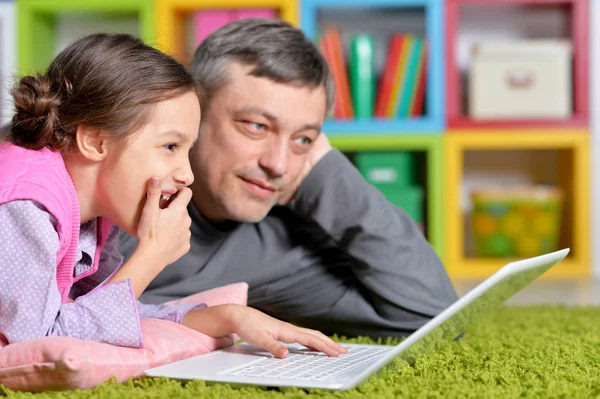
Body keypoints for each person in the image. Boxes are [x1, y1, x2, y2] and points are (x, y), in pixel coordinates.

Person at [0, 33, 347, 360]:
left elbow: (99, 309)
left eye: (187, 149)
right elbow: (38, 345)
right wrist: (151, 256)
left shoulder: (96, 213)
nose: (187, 174)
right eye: (170, 146)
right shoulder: (25, 208)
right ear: (94, 141)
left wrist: (226, 318)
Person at [120, 18, 459, 339]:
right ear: (194, 112)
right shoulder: (117, 189)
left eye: (303, 140)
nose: (279, 165)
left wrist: (327, 173)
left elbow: (437, 319)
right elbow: (68, 316)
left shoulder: (282, 249)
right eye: (257, 126)